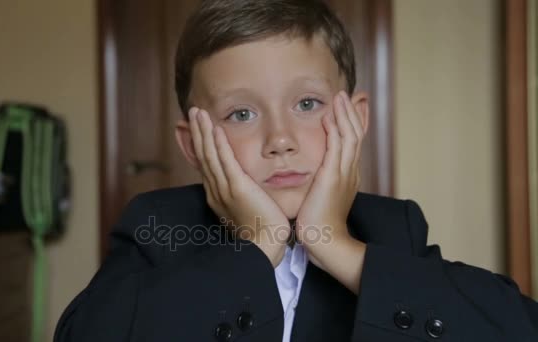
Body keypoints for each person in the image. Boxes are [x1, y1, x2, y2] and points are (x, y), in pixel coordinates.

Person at [54, 0, 538, 341]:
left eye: (307, 103)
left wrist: (336, 245)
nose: (280, 140)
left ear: (357, 118)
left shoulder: (393, 228)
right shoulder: (157, 225)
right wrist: (257, 244)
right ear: (193, 144)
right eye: (241, 114)